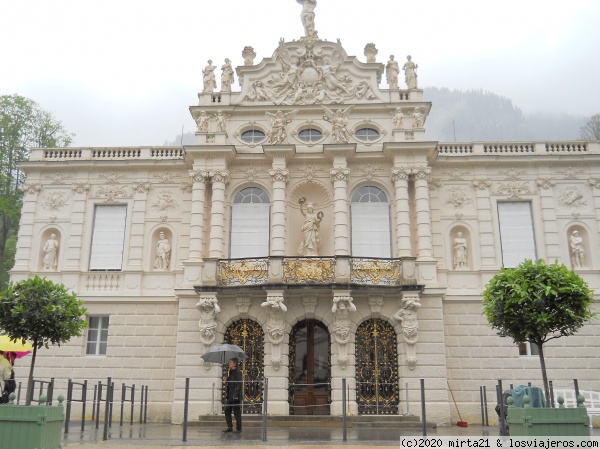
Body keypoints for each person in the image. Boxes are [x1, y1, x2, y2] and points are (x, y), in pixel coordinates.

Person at [223, 357, 242, 433]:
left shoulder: (238, 372)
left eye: (230, 362)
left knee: (236, 413)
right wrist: (226, 379)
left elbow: (238, 384)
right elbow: (231, 382)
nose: (229, 363)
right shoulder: (230, 371)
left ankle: (238, 428)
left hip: (235, 396)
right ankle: (229, 427)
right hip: (230, 395)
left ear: (234, 364)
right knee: (227, 410)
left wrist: (235, 395)